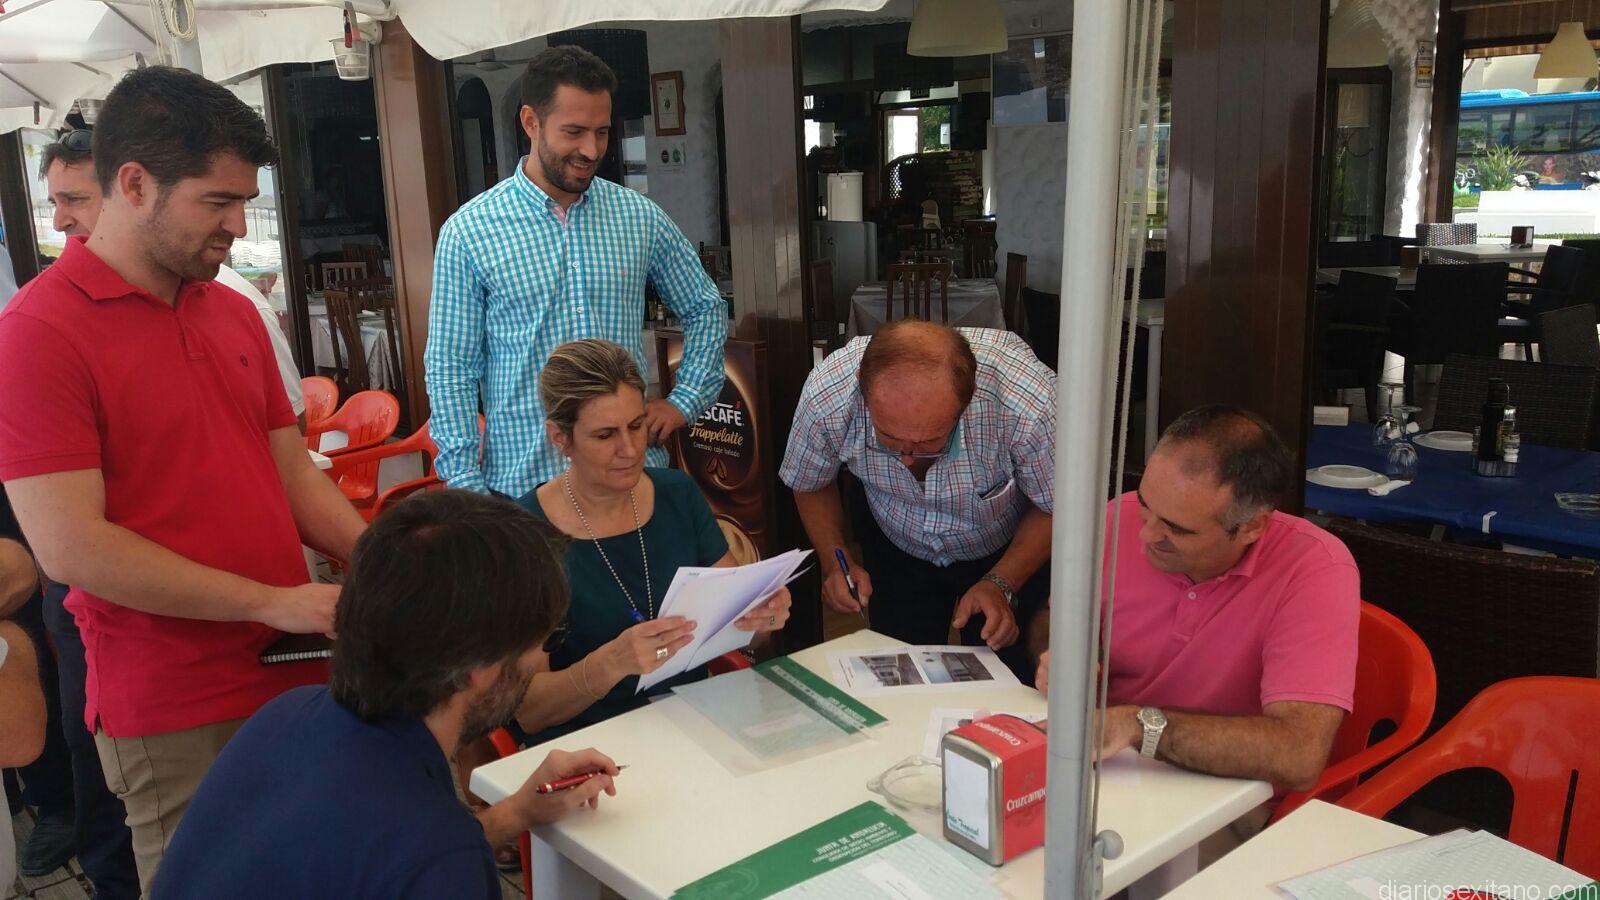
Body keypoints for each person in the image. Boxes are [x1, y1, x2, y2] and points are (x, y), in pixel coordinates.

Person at [0, 66, 368, 892]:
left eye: (245, 202)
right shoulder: (36, 333)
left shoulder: (230, 308)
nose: (238, 226)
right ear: (134, 184)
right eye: (218, 201)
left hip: (298, 662)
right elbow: (71, 548)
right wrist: (272, 601)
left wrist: (380, 557)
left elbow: (292, 476)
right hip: (173, 700)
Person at [152, 490, 618, 898]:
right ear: (477, 668)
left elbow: (365, 857)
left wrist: (517, 811)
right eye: (548, 641)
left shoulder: (287, 714)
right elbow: (411, 859)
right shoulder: (436, 856)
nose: (540, 660)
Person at [426, 45, 728, 499]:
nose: (591, 149)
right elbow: (451, 369)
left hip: (632, 479)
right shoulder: (469, 231)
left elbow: (705, 307)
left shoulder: (638, 217)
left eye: (601, 132)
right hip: (526, 486)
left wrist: (685, 400)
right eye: (574, 132)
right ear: (531, 122)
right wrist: (466, 484)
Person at [1032, 405, 1358, 796]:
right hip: (1105, 764)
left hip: (1223, 794)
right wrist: (1058, 652)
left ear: (1251, 527)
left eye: (1177, 529)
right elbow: (1051, 618)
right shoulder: (1119, 516)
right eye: (1147, 506)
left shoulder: (1315, 568)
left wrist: (1139, 726)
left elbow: (1299, 755)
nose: (1146, 535)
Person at [513, 340, 790, 741]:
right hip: (585, 747)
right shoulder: (525, 534)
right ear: (560, 436)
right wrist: (611, 663)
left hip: (692, 725)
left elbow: (743, 626)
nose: (630, 449)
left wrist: (763, 617)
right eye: (605, 435)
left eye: (637, 425)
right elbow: (530, 712)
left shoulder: (677, 493)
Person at [779, 321, 1055, 675]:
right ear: (862, 385)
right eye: (889, 438)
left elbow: (1056, 506)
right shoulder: (828, 394)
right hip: (895, 540)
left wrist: (1002, 582)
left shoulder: (1029, 405)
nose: (908, 458)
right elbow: (810, 481)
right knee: (900, 673)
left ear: (968, 396)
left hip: (1006, 542)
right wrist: (836, 562)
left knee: (1009, 670)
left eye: (929, 442)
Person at [41, 126, 305, 419]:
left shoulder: (236, 303)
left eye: (76, 199)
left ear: (131, 190)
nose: (58, 222)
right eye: (55, 202)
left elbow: (289, 425)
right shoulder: (44, 326)